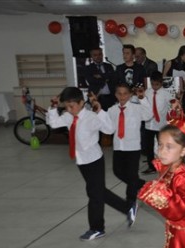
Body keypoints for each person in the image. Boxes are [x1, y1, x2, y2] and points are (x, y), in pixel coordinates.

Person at [46, 87, 130, 240]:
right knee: (99, 191)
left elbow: (110, 130)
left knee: (94, 195)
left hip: (94, 160)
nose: (70, 109)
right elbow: (53, 124)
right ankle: (128, 208)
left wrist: (100, 111)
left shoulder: (91, 117)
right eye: (66, 106)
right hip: (81, 160)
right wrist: (52, 107)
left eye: (72, 106)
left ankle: (97, 228)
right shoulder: (68, 116)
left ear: (81, 102)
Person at [97, 83, 153, 227]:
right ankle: (144, 186)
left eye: (125, 94)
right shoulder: (111, 110)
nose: (122, 96)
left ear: (130, 95)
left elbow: (148, 115)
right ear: (115, 95)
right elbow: (109, 130)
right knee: (118, 172)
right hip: (119, 147)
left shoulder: (136, 108)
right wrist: (100, 114)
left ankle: (130, 204)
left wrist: (142, 99)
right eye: (119, 93)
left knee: (132, 175)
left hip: (133, 147)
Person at [142, 71, 173, 174]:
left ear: (161, 83)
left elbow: (172, 105)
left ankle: (165, 164)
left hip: (160, 125)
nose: (155, 87)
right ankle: (152, 166)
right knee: (148, 146)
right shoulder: (147, 92)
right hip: (149, 124)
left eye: (157, 84)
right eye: (153, 84)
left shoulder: (166, 94)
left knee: (162, 145)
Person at [162, 45, 185, 114]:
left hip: (181, 93)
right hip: (170, 92)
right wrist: (173, 80)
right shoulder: (170, 63)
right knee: (171, 113)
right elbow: (163, 78)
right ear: (181, 54)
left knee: (182, 114)